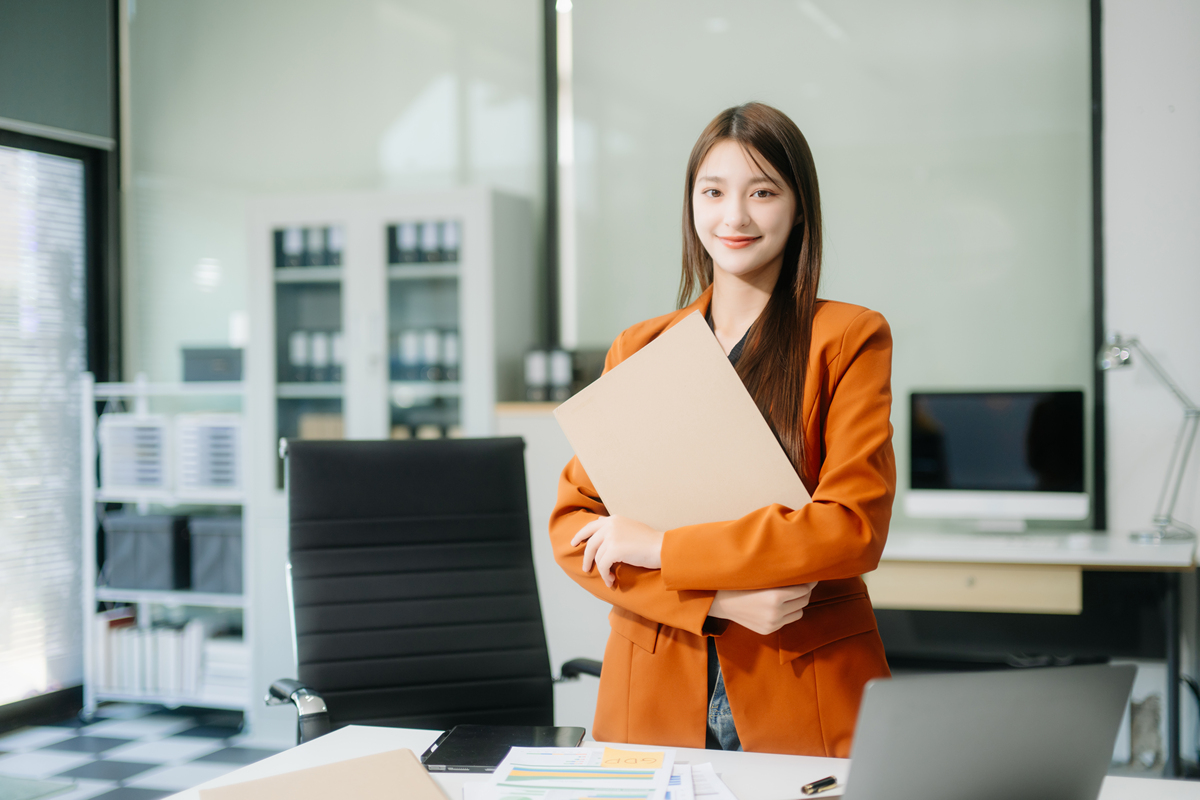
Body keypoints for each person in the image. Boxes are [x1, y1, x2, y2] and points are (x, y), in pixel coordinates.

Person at [549, 102, 895, 757]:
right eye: (713, 192)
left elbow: (851, 527)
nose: (734, 217)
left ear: (798, 209)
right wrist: (717, 603)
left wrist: (662, 547)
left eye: (762, 192)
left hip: (802, 683)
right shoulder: (640, 346)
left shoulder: (847, 337)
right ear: (691, 206)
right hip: (654, 685)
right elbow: (575, 529)